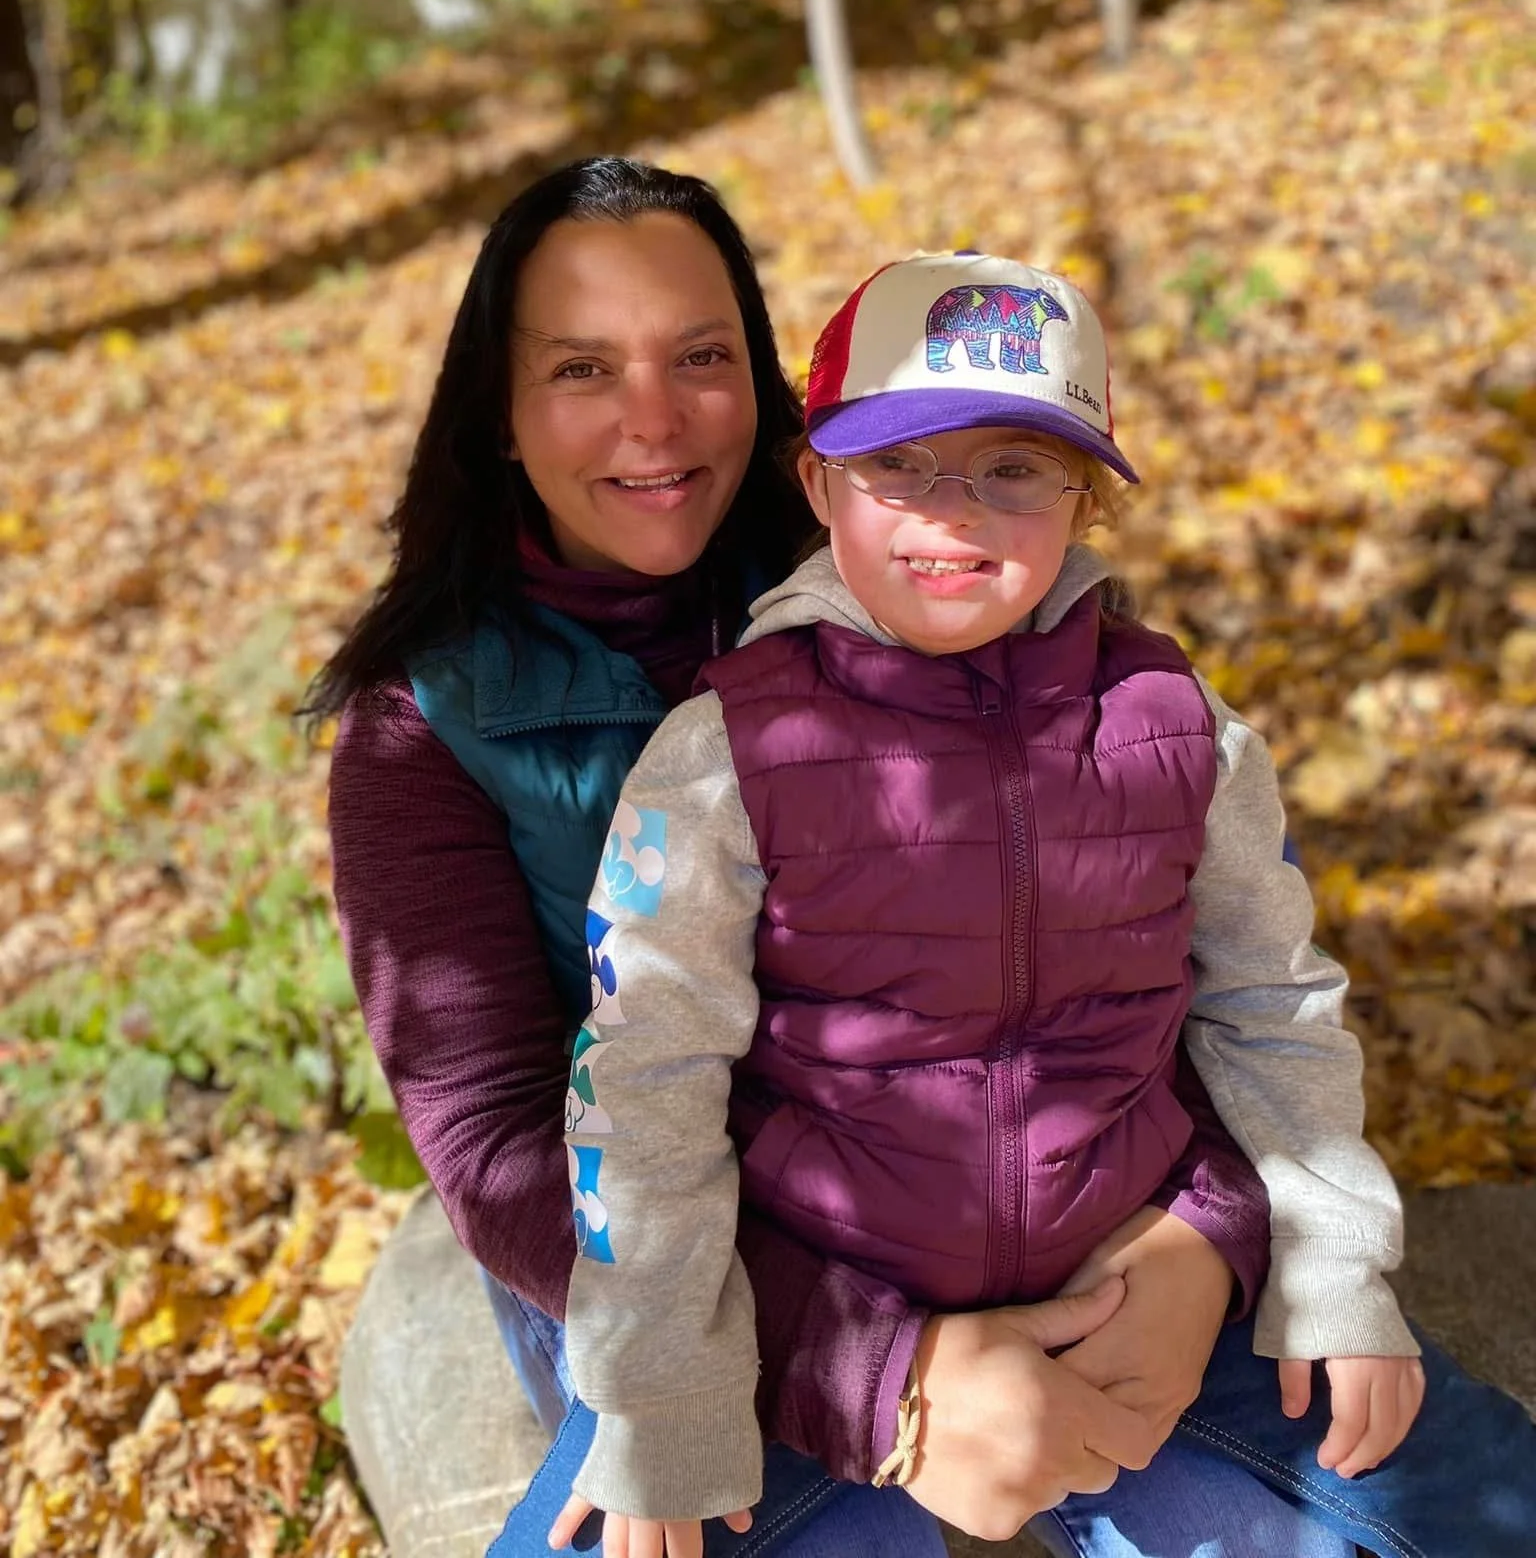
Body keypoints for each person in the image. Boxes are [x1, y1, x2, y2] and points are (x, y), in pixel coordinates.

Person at [317, 161, 1357, 1558]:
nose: (651, 418)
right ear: (497, 416)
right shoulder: (422, 728)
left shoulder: (922, 553)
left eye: (701, 357)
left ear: (773, 391)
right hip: (676, 1277)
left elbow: (1167, 954)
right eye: (579, 368)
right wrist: (880, 1373)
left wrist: (1207, 1239)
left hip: (1060, 1214)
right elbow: (497, 1142)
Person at [532, 250, 1536, 1558]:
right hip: (818, 1324)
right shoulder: (725, 758)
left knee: (1483, 1504)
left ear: (1086, 503)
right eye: (901, 465)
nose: (954, 518)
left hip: (1135, 1290)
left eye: (1015, 470)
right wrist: (660, 1391)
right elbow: (647, 1080)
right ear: (821, 481)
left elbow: (1271, 1006)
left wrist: (1333, 1266)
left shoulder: (1183, 734)